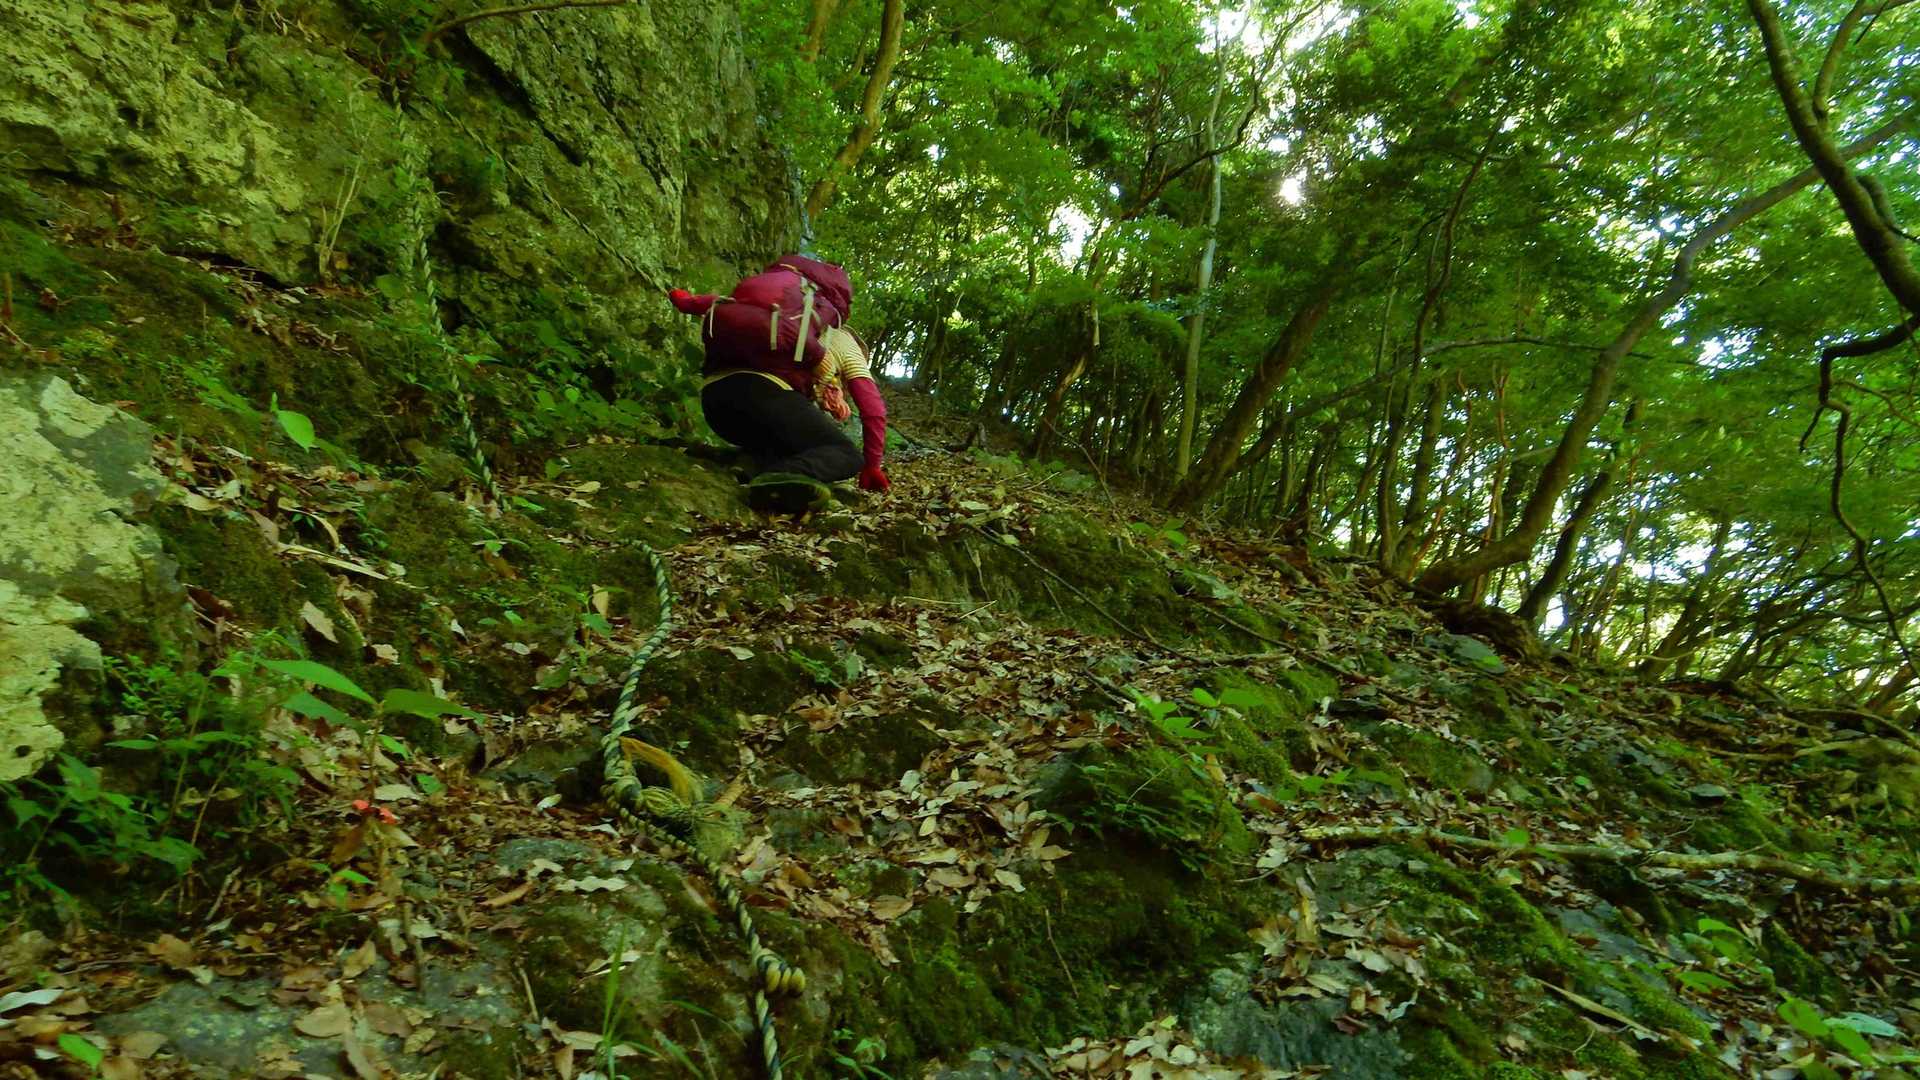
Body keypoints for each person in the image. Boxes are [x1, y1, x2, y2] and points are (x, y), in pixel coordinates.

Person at [667, 255, 889, 513]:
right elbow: (873, 410)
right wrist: (872, 466)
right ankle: (779, 478)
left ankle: (741, 463)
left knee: (792, 441)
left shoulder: (783, 311)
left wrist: (684, 299)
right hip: (762, 395)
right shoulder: (843, 340)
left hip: (715, 402)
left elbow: (714, 303)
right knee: (846, 454)